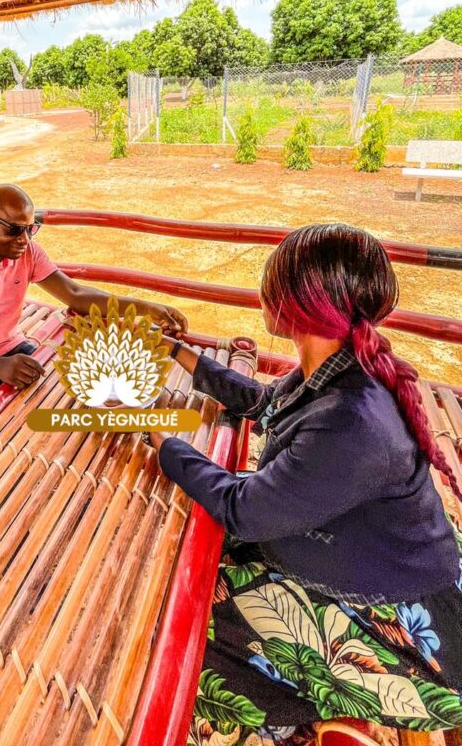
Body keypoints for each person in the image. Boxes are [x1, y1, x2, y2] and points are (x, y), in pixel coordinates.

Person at [150, 223, 462, 746]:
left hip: (418, 644)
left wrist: (161, 441)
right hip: (383, 570)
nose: (263, 295)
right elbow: (264, 403)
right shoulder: (337, 368)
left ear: (301, 303)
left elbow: (241, 509)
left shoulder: (351, 420)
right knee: (223, 573)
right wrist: (178, 353)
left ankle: (299, 722)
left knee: (187, 625)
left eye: (273, 285)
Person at [0, 183, 187, 420]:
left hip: (14, 351)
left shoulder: (27, 252)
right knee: (18, 426)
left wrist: (145, 308)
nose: (23, 240)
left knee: (79, 396)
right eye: (13, 230)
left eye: (30, 229)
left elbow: (76, 295)